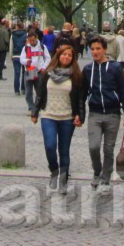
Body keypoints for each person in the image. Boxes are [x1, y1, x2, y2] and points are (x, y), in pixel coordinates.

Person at [30, 43, 83, 195]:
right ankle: (54, 170)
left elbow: (80, 98)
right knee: (50, 146)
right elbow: (39, 94)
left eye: (69, 55)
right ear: (58, 56)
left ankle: (63, 181)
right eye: (64, 54)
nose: (66, 57)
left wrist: (79, 115)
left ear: (72, 59)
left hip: (67, 117)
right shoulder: (47, 73)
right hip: (48, 115)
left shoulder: (76, 76)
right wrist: (35, 112)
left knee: (64, 150)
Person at [80, 37, 124, 194]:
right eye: (92, 49)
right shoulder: (88, 70)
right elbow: (82, 94)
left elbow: (123, 91)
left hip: (112, 114)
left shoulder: (115, 68)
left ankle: (105, 179)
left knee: (108, 149)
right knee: (94, 146)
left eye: (98, 49)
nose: (95, 52)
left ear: (104, 50)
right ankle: (97, 171)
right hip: (94, 113)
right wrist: (79, 113)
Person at [20, 29, 51, 114]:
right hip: (29, 70)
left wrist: (44, 67)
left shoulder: (42, 47)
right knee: (28, 92)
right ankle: (31, 108)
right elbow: (21, 59)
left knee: (39, 91)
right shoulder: (26, 48)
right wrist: (26, 61)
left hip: (39, 71)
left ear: (36, 38)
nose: (32, 42)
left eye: (33, 40)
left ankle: (39, 107)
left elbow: (48, 58)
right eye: (30, 40)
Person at [10, 21, 28, 95]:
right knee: (24, 73)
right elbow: (28, 47)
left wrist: (11, 56)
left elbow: (11, 47)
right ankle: (23, 89)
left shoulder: (12, 35)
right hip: (24, 57)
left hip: (16, 56)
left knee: (17, 73)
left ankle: (17, 91)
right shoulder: (26, 35)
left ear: (17, 27)